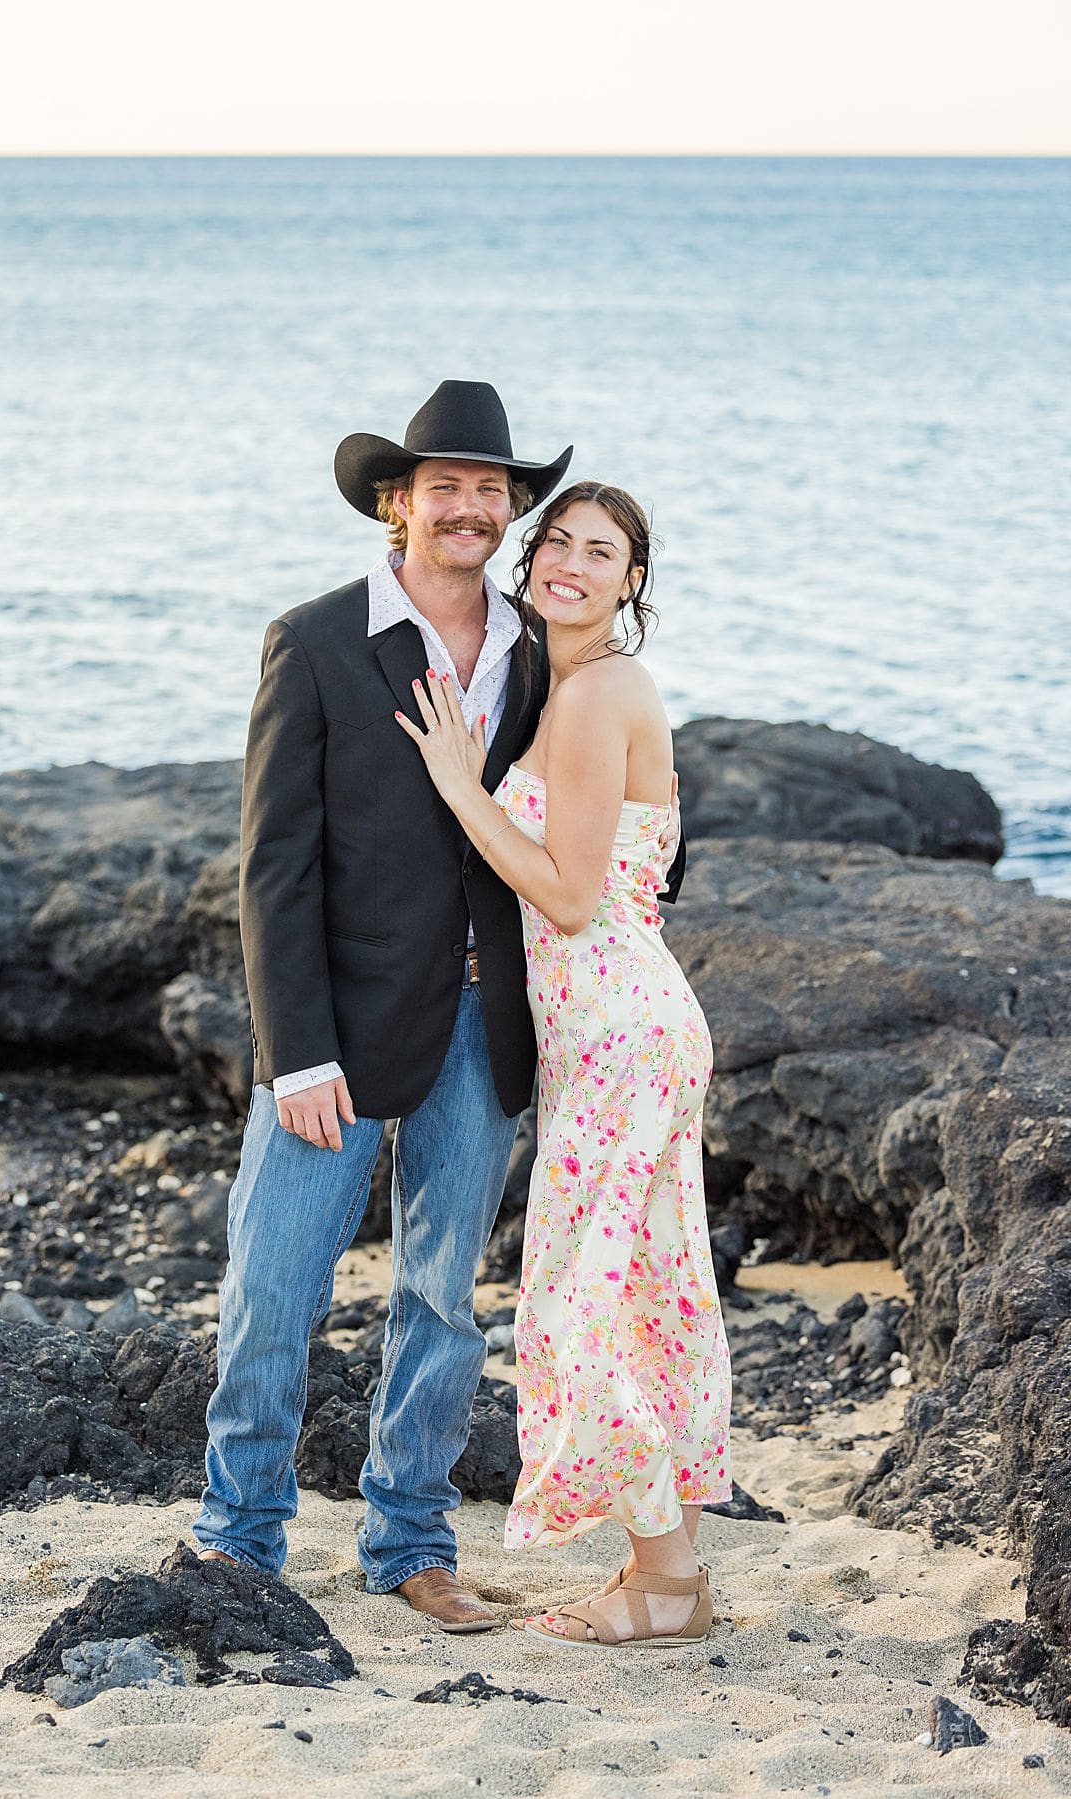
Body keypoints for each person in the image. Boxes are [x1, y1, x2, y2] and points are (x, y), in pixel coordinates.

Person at [194, 379, 686, 1634]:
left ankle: (410, 1541)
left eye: (491, 488)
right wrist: (295, 1049)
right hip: (340, 1033)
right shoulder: (314, 640)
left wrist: (641, 896)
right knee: (273, 1286)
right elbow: (274, 865)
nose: (471, 506)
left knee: (442, 1301)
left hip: (489, 1025)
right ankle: (237, 1535)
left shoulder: (543, 648)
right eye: (445, 485)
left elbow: (608, 814)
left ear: (508, 508)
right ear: (396, 502)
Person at [395, 480, 731, 1648]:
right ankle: (668, 1574)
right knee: (642, 1294)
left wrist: (458, 787)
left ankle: (666, 1581)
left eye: (603, 552)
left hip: (623, 1029)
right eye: (559, 544)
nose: (572, 564)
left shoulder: (595, 693)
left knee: (580, 1305)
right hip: (618, 1033)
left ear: (631, 581)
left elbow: (573, 894)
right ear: (533, 559)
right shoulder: (568, 687)